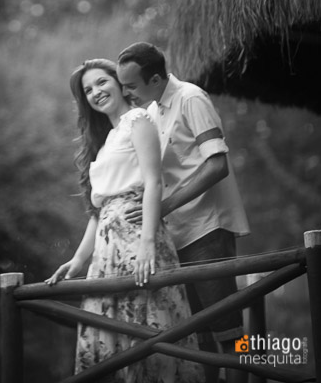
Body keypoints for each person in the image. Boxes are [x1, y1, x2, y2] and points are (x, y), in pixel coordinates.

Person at [46, 58, 204, 383]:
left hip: (138, 239)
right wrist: (78, 259)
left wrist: (147, 244)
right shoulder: (104, 145)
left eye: (102, 82)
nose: (96, 92)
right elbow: (99, 211)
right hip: (105, 253)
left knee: (150, 329)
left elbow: (153, 182)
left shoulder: (138, 119)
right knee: (109, 337)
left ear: (119, 82)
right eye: (88, 90)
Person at [116, 42, 249, 383]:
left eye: (130, 85)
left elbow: (217, 163)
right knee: (197, 335)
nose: (125, 92)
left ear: (156, 78)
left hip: (206, 229)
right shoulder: (155, 110)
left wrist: (166, 206)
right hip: (175, 237)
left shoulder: (190, 98)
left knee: (229, 331)